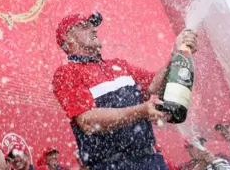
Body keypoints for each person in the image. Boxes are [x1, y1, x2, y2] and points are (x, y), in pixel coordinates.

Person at [51, 12, 198, 170]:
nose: (94, 30)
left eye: (94, 26)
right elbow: (88, 121)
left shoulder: (119, 65)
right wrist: (141, 111)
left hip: (151, 160)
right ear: (68, 38)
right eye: (85, 26)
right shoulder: (66, 74)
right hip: (110, 165)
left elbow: (156, 84)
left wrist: (176, 53)